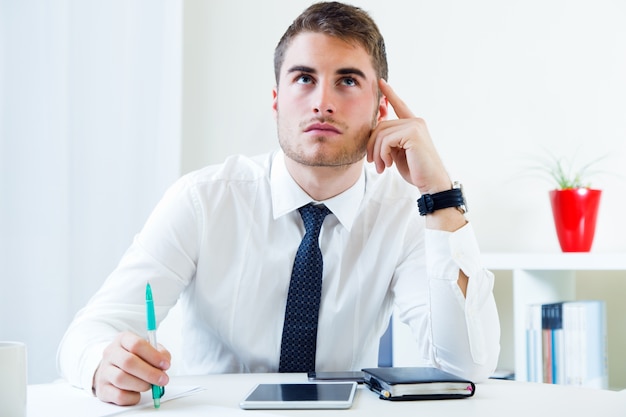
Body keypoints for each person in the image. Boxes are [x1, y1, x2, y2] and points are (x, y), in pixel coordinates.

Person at [58, 1, 500, 406]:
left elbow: (466, 368)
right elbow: (86, 334)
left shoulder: (405, 215)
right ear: (276, 100)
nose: (323, 102)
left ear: (381, 109)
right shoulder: (202, 200)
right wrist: (104, 364)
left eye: (347, 80)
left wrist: (439, 193)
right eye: (304, 78)